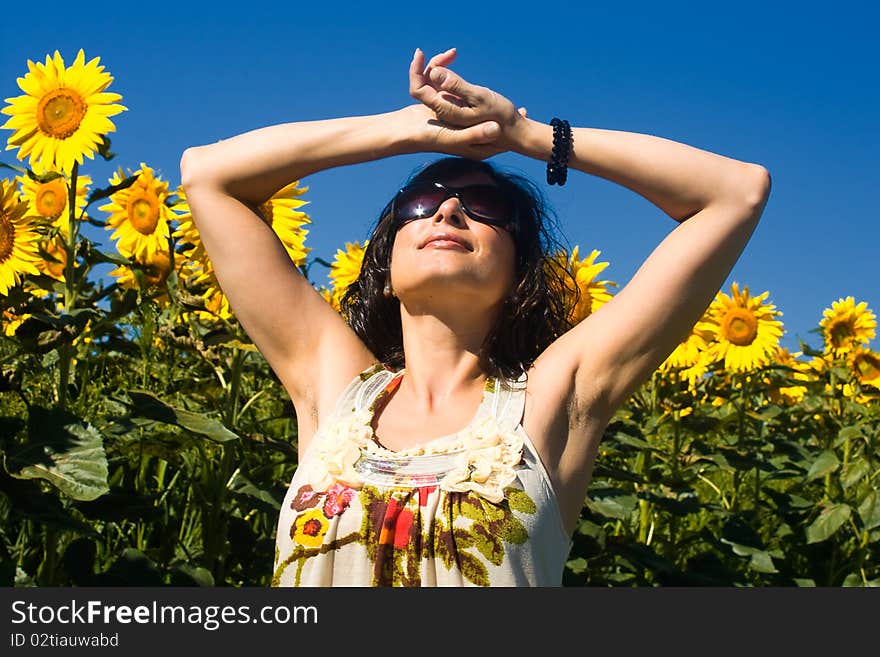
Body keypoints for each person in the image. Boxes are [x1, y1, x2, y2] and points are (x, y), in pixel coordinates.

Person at [179, 47, 771, 587]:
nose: (451, 209)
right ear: (383, 269)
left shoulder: (551, 400)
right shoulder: (334, 389)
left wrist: (524, 134)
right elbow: (209, 176)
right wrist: (408, 132)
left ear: (518, 277)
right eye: (422, 201)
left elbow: (735, 191)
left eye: (486, 208)